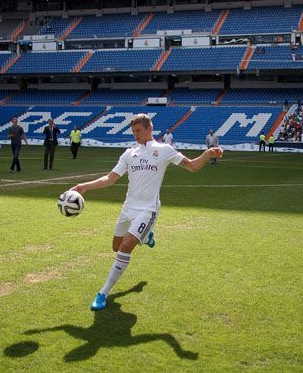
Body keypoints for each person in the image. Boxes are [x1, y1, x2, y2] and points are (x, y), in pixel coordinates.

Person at [69, 114, 223, 311]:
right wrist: (84, 187)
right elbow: (110, 178)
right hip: (128, 208)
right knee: (116, 247)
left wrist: (207, 154)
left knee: (125, 247)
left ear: (149, 129)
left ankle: (103, 293)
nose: (135, 135)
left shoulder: (164, 150)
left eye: (138, 131)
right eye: (133, 132)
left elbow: (192, 166)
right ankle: (147, 235)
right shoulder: (128, 154)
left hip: (148, 209)